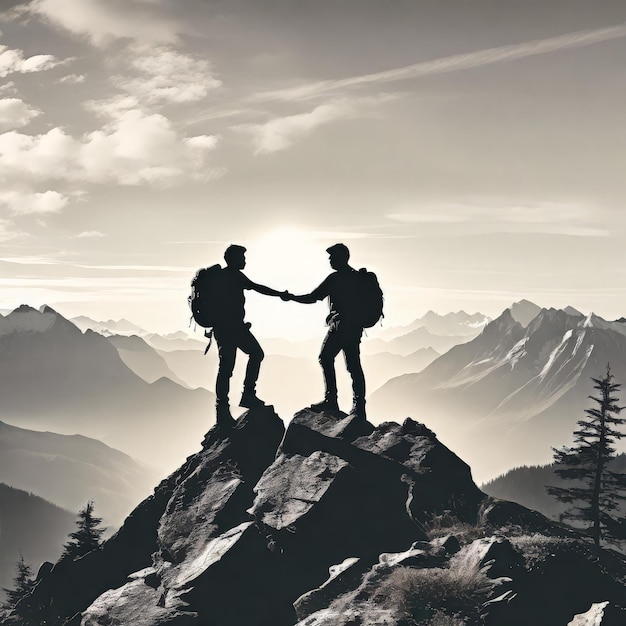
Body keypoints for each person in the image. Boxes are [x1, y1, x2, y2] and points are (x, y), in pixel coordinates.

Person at [284, 243, 367, 420]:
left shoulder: (336, 279)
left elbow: (312, 297)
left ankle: (331, 399)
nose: (330, 260)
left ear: (341, 258)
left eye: (332, 257)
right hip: (354, 328)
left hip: (339, 327)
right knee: (354, 366)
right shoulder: (357, 278)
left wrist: (291, 297)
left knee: (325, 357)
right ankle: (359, 406)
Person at [212, 244, 288, 428]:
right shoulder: (233, 275)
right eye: (242, 257)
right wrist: (281, 295)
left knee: (228, 367)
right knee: (236, 363)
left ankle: (225, 408)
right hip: (232, 329)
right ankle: (243, 398)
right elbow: (258, 287)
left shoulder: (224, 276)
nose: (244, 261)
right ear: (234, 259)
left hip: (229, 329)